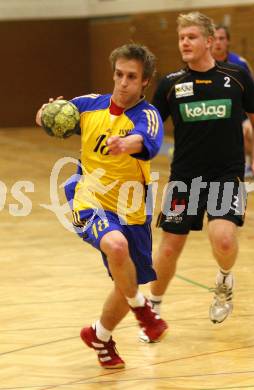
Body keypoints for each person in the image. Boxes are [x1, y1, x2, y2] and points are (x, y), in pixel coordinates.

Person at [36, 43, 167, 368]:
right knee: (116, 245)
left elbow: (146, 141)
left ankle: (100, 335)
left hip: (133, 208)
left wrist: (126, 143)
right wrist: (45, 114)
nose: (123, 83)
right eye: (119, 75)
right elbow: (50, 116)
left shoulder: (147, 116)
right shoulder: (88, 106)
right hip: (89, 197)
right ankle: (143, 311)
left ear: (145, 82)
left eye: (132, 77)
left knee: (128, 280)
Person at [140, 11, 254, 341]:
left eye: (192, 37)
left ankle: (225, 280)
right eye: (182, 38)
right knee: (169, 248)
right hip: (185, 178)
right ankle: (153, 310)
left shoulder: (236, 77)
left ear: (209, 41)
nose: (185, 42)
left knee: (223, 239)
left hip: (226, 176)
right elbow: (148, 124)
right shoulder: (171, 85)